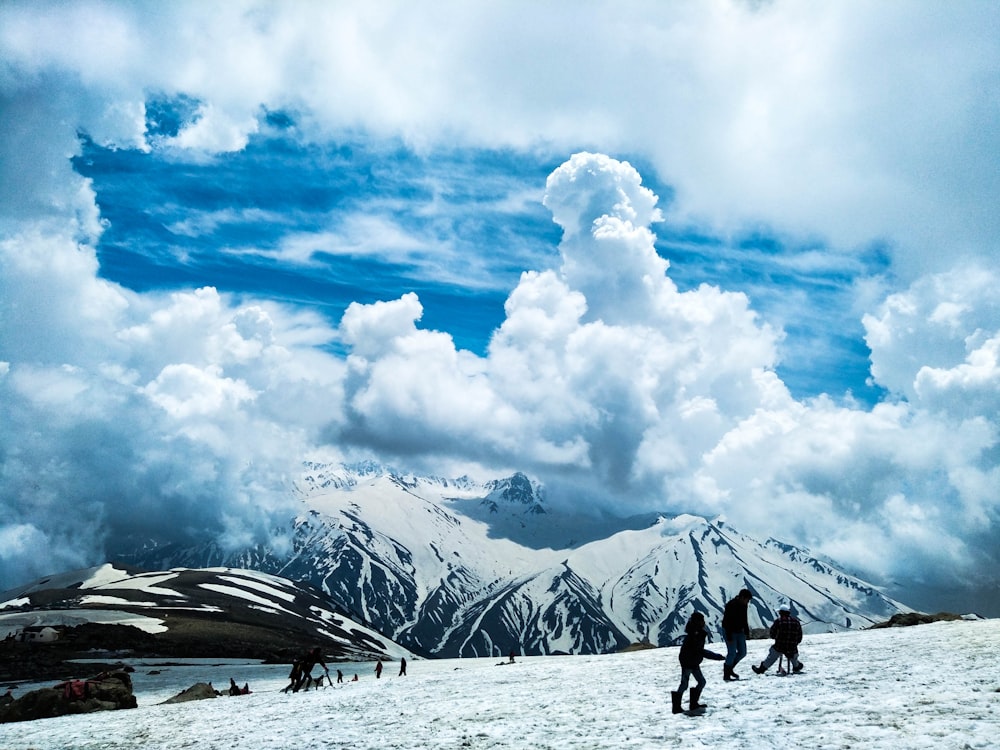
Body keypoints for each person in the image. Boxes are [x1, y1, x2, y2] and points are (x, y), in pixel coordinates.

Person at [671, 611, 725, 714]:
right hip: (689, 662)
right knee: (689, 683)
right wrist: (716, 656)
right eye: (702, 620)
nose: (704, 623)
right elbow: (700, 650)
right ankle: (684, 705)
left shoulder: (694, 633)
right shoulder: (695, 635)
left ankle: (687, 705)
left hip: (690, 661)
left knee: (693, 683)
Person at [752, 604, 804, 675]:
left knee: (772, 655)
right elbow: (799, 637)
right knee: (793, 654)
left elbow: (772, 634)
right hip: (792, 647)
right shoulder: (796, 622)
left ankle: (762, 668)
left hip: (780, 646)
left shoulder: (778, 621)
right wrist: (794, 643)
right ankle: (796, 666)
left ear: (781, 613)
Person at [721, 589, 753, 681]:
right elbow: (727, 622)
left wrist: (746, 631)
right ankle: (726, 674)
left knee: (742, 653)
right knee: (732, 653)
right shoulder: (731, 605)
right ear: (742, 597)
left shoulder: (744, 605)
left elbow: (744, 618)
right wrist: (729, 636)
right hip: (729, 631)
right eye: (747, 599)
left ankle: (729, 668)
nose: (748, 602)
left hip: (739, 631)